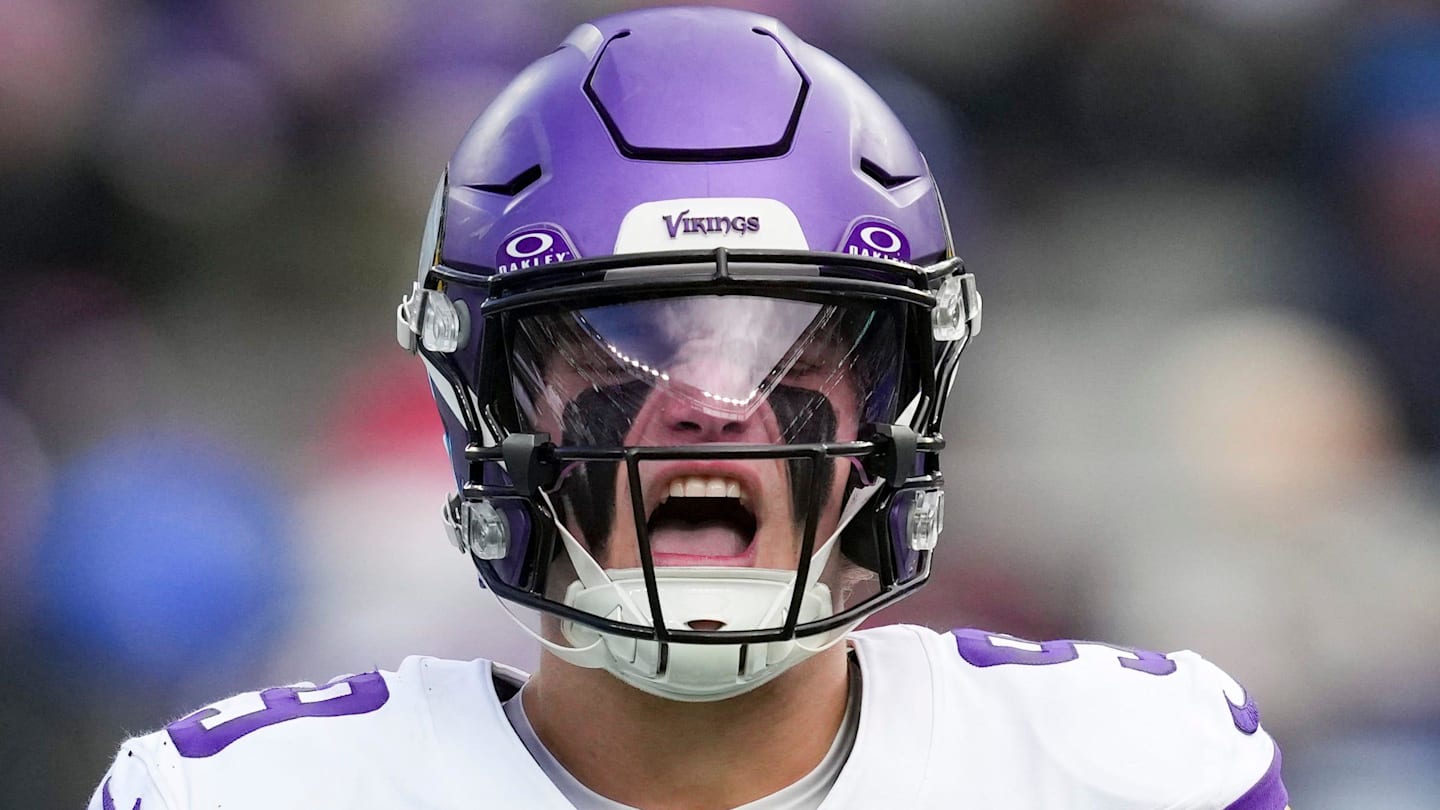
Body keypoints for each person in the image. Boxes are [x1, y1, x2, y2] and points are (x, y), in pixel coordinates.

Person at [90, 7, 1288, 808]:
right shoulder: (240, 795)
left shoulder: (1136, 772)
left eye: (789, 348)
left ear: (893, 403)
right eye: (624, 349)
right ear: (490, 408)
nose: (713, 406)